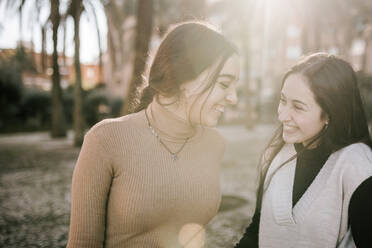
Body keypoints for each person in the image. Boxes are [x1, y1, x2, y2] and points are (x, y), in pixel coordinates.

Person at [66, 21, 240, 248]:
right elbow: (83, 243)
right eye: (225, 83)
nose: (233, 98)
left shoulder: (215, 144)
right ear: (186, 77)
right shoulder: (105, 140)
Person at [235, 53, 372, 248]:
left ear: (330, 114)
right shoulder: (275, 155)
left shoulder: (357, 167)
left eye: (298, 107)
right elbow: (257, 232)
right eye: (283, 100)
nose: (282, 115)